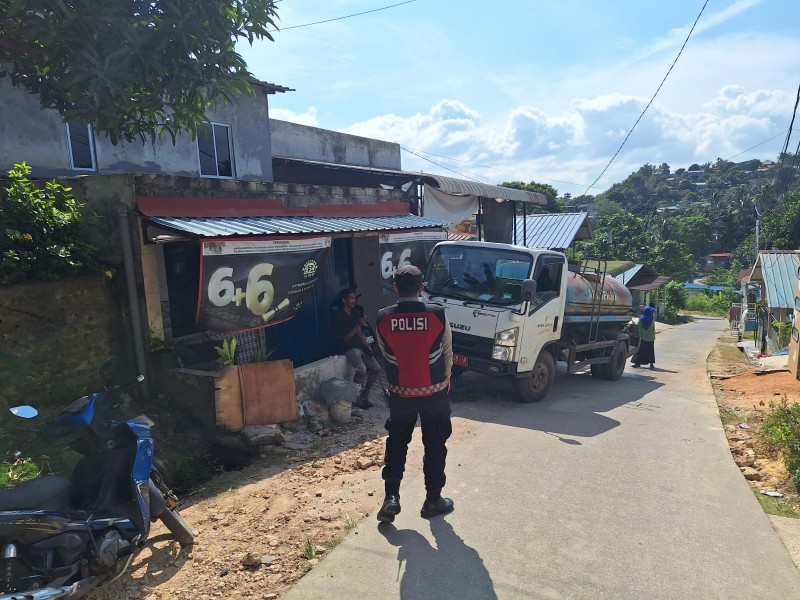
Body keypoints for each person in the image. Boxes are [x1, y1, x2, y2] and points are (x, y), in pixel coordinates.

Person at [374, 265, 455, 522]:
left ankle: (392, 497)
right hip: (435, 393)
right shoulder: (437, 314)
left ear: (395, 288)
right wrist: (447, 377)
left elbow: (384, 351)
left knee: (397, 443)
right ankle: (433, 500)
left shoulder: (382, 318)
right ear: (422, 288)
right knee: (435, 445)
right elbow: (447, 352)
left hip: (400, 395)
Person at [334, 289, 381, 409]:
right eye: (351, 298)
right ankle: (356, 397)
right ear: (344, 301)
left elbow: (359, 333)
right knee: (361, 369)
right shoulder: (339, 316)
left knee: (376, 368)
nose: (353, 300)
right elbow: (346, 338)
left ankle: (365, 394)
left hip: (359, 346)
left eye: (354, 298)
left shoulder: (355, 313)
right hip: (348, 347)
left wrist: (368, 346)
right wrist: (358, 325)